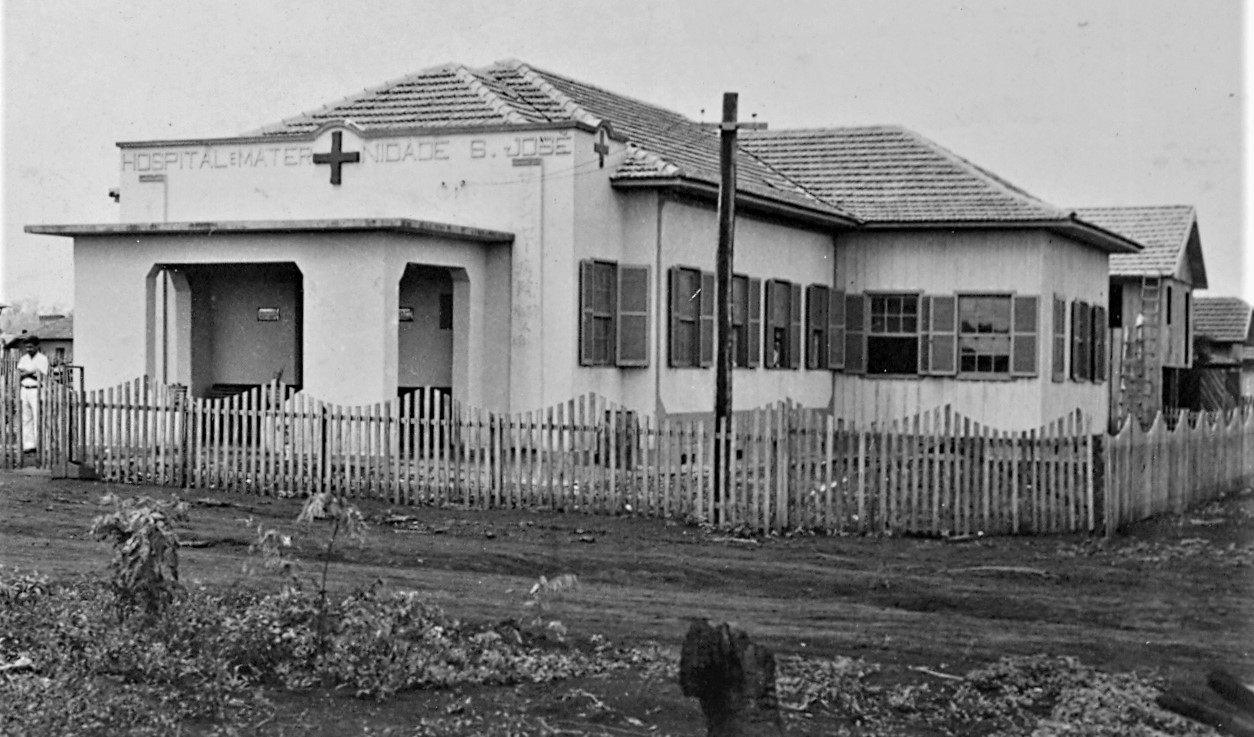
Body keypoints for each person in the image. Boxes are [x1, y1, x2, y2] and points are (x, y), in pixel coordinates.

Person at [17, 335, 49, 458]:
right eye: (27, 347)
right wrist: (31, 372)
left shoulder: (42, 359)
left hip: (36, 390)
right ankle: (29, 445)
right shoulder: (24, 358)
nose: (28, 349)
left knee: (38, 417)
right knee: (26, 418)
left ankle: (41, 444)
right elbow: (19, 373)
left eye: (31, 347)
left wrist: (28, 373)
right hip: (24, 389)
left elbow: (41, 375)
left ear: (37, 346)